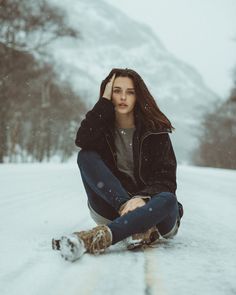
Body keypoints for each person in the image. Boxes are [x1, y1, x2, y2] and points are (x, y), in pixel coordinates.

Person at [52, 68, 183, 262]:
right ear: (108, 92)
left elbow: (166, 178)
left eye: (130, 92)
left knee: (168, 199)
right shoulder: (101, 130)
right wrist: (104, 103)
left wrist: (143, 198)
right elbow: (82, 140)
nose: (123, 97)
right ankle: (135, 225)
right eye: (116, 90)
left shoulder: (155, 131)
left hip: (153, 210)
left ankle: (94, 239)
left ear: (138, 96)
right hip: (112, 207)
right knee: (85, 156)